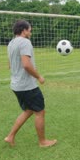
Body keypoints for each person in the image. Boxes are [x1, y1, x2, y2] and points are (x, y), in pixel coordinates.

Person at [4, 20, 57, 148]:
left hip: (16, 85)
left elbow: (9, 65)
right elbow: (26, 64)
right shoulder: (25, 42)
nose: (30, 33)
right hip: (27, 86)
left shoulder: (11, 43)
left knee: (28, 111)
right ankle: (43, 142)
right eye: (30, 30)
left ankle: (10, 137)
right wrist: (39, 77)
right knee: (40, 112)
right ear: (24, 30)